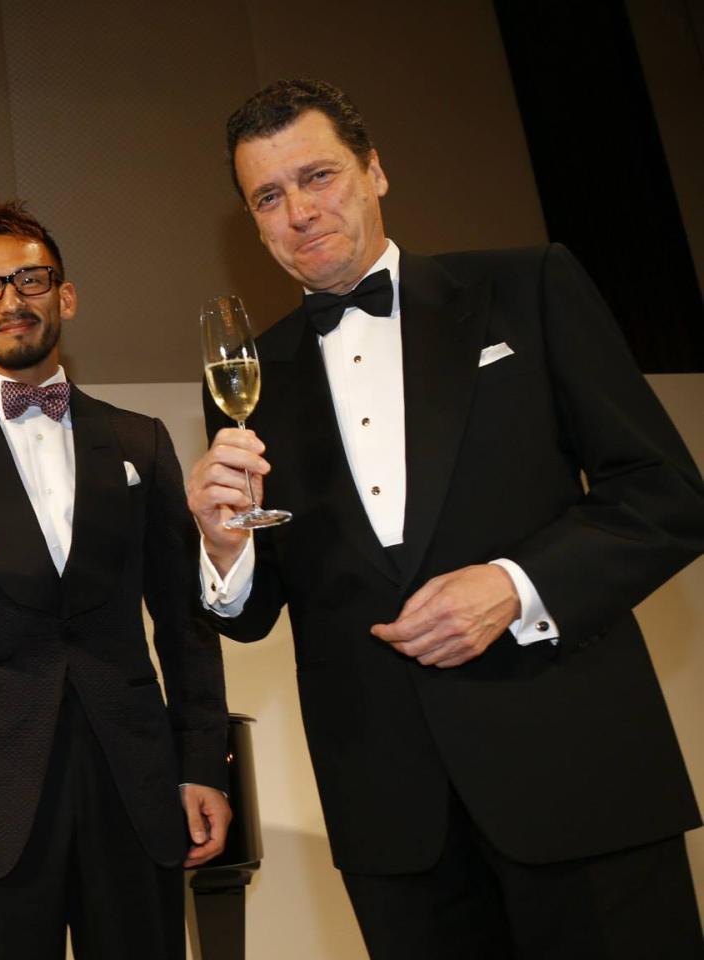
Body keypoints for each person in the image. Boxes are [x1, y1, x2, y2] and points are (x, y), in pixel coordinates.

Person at [187, 78, 704, 958]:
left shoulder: (528, 285)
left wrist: (516, 586)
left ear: (376, 171)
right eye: (268, 197)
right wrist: (223, 548)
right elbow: (260, 607)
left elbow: (664, 493)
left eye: (318, 177)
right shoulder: (247, 374)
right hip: (392, 818)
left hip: (576, 770)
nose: (299, 212)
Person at [0, 202, 231, 959]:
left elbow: (184, 617)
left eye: (31, 278)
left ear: (64, 296)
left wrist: (204, 764)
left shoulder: (142, 440)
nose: (12, 299)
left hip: (133, 781)